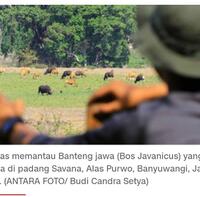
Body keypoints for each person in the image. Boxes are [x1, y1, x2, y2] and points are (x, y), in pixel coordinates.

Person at [0, 5, 200, 144]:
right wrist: (151, 92)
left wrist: (10, 125)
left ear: (156, 58)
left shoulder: (144, 124)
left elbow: (51, 152)